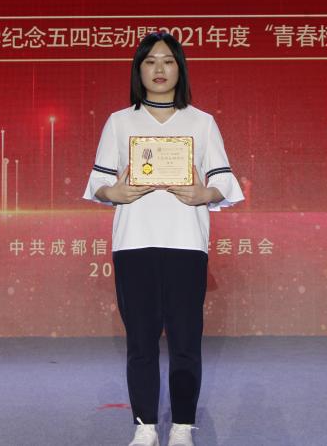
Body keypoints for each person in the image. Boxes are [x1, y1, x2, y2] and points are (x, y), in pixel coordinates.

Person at [83, 31, 244, 446]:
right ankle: (145, 426)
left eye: (168, 61)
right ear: (138, 70)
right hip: (134, 244)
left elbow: (223, 181)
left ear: (180, 69)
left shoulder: (201, 122)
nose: (159, 69)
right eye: (150, 61)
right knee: (140, 341)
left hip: (186, 243)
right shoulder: (120, 122)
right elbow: (99, 183)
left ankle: (183, 426)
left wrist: (204, 194)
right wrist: (114, 192)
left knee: (186, 340)